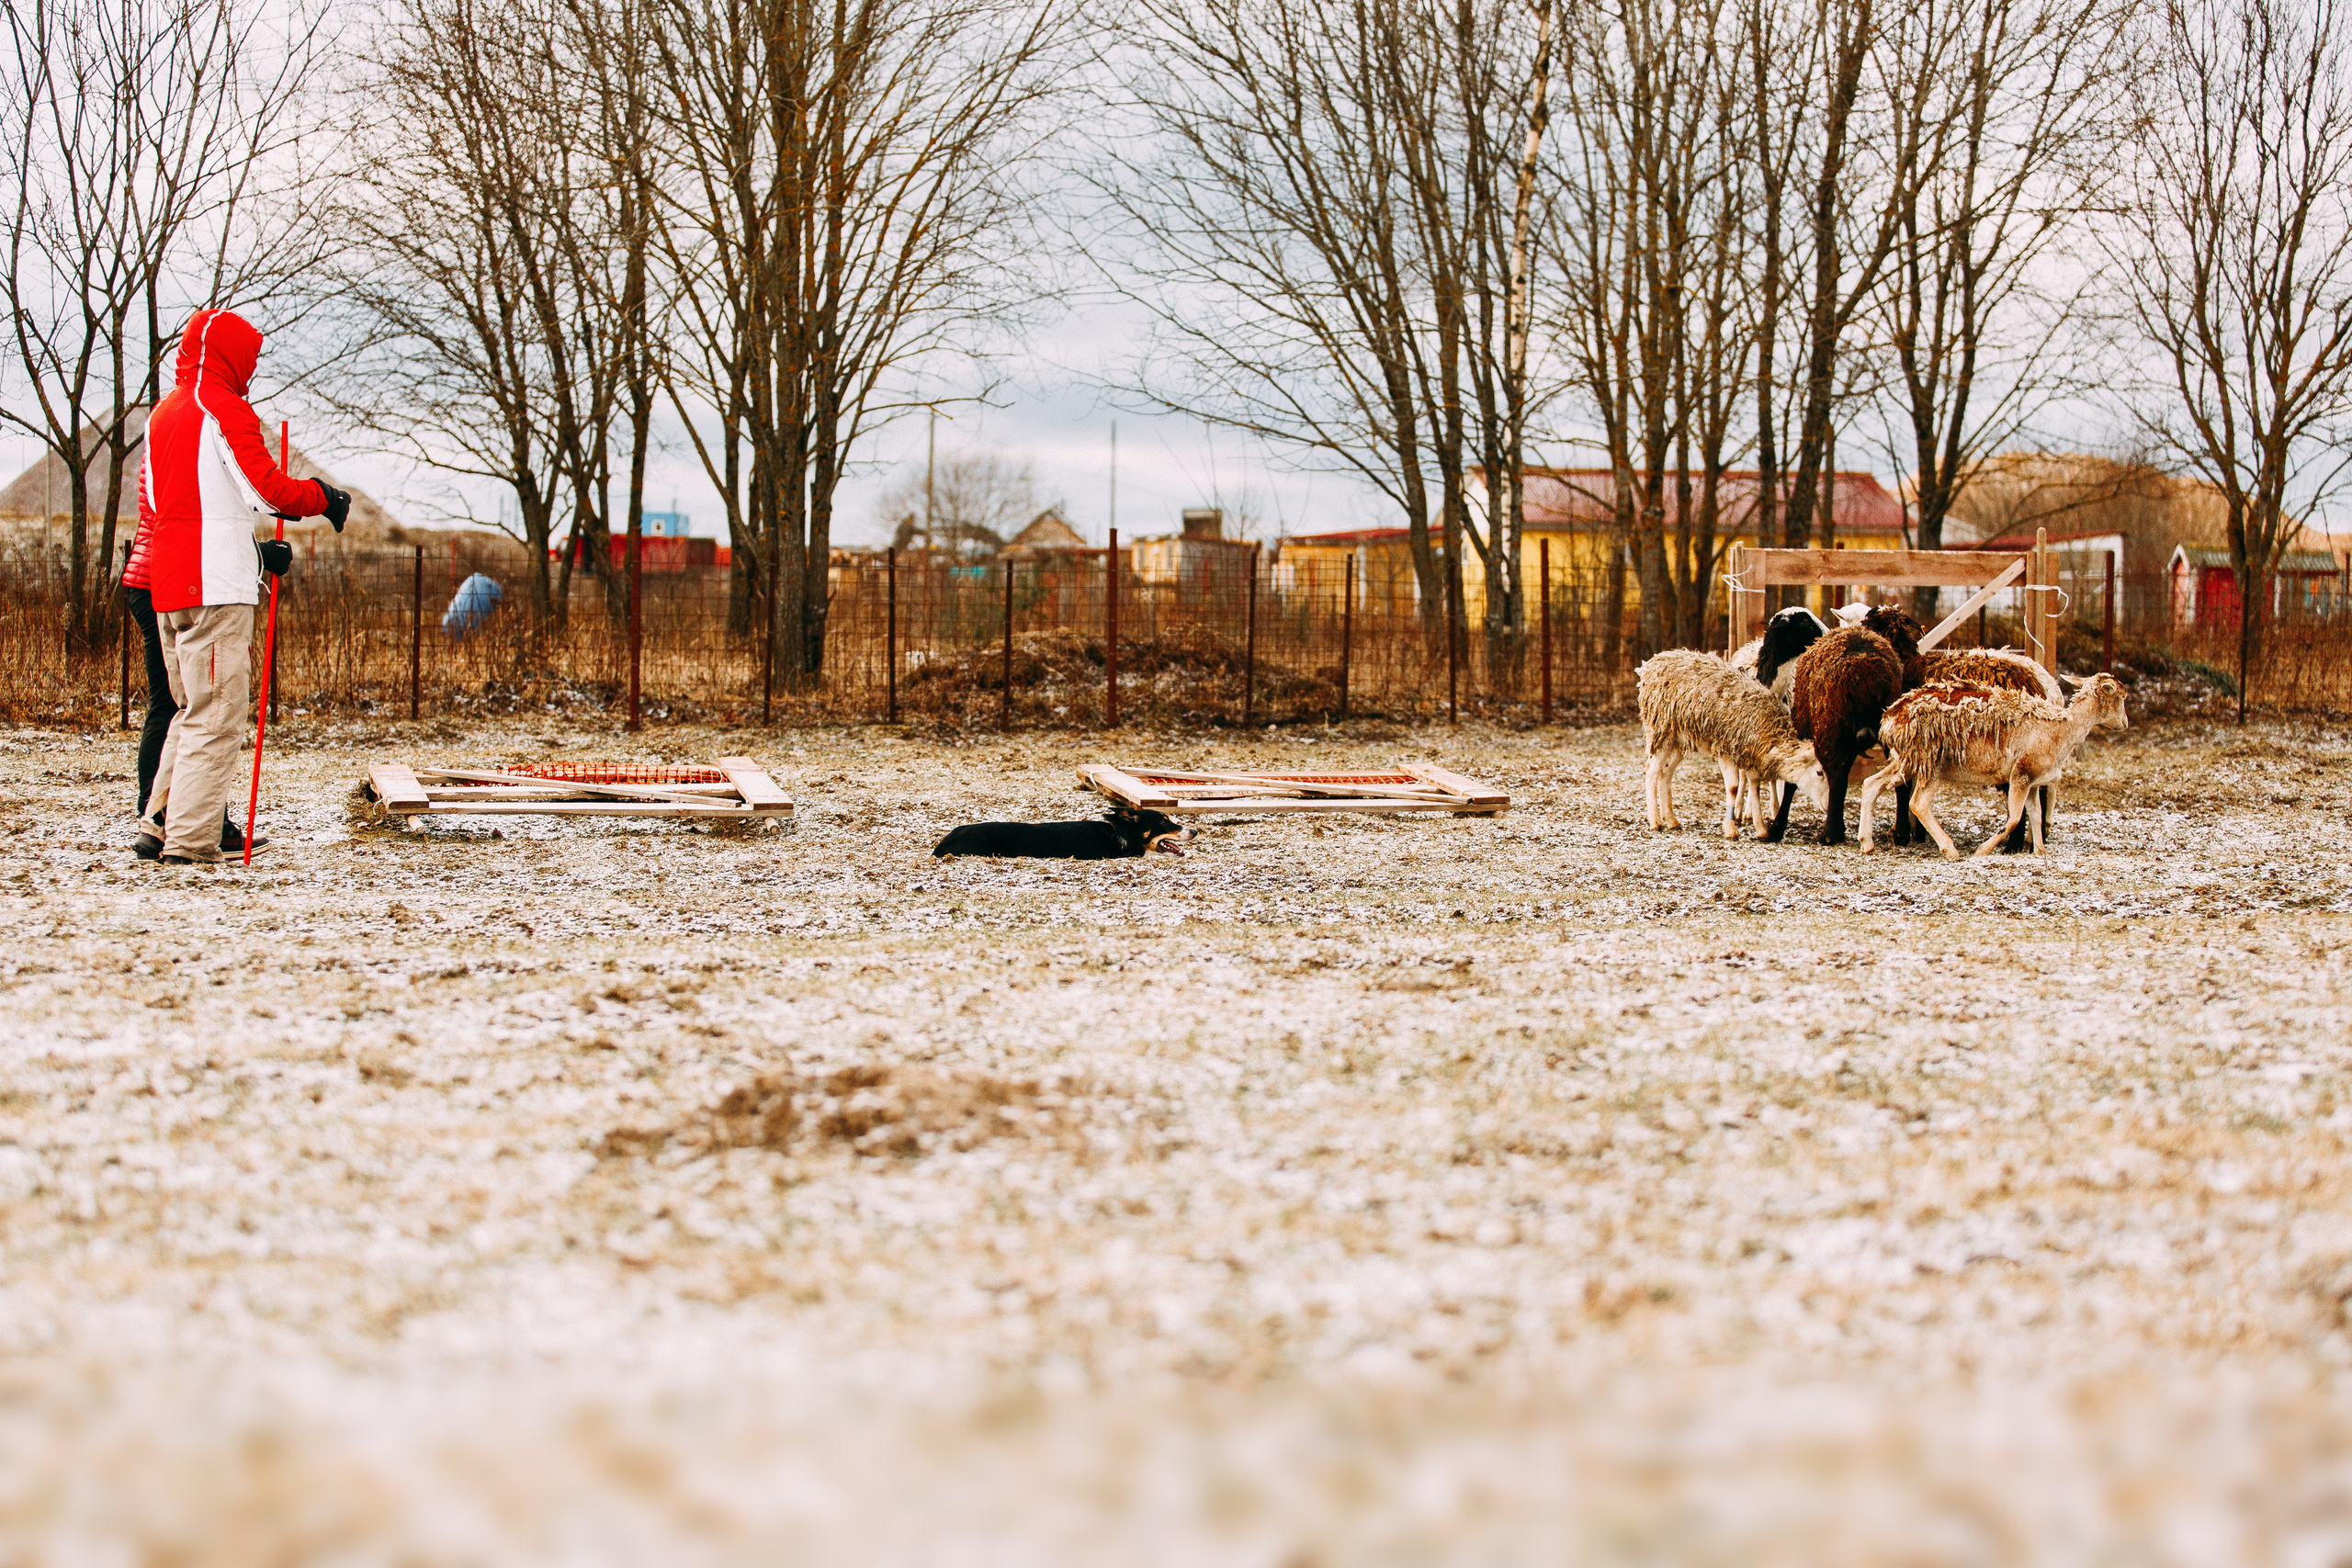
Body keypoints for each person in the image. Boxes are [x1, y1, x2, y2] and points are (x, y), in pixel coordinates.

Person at [138, 309, 350, 866]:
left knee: (190, 709)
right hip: (216, 587)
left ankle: (159, 823)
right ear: (233, 357)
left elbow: (162, 505)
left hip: (169, 580)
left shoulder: (163, 413)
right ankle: (189, 842)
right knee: (217, 715)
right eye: (249, 359)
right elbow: (267, 490)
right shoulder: (222, 407)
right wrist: (323, 496)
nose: (251, 371)